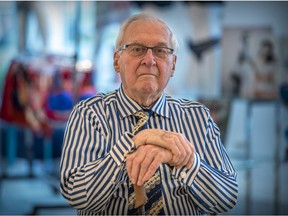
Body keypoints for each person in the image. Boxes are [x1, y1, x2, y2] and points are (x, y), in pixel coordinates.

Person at [60, 13, 238, 215]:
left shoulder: (198, 118)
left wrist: (181, 160)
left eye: (161, 51)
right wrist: (136, 141)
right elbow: (78, 196)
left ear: (173, 65)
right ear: (117, 60)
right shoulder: (88, 114)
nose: (149, 60)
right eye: (137, 49)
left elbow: (227, 197)